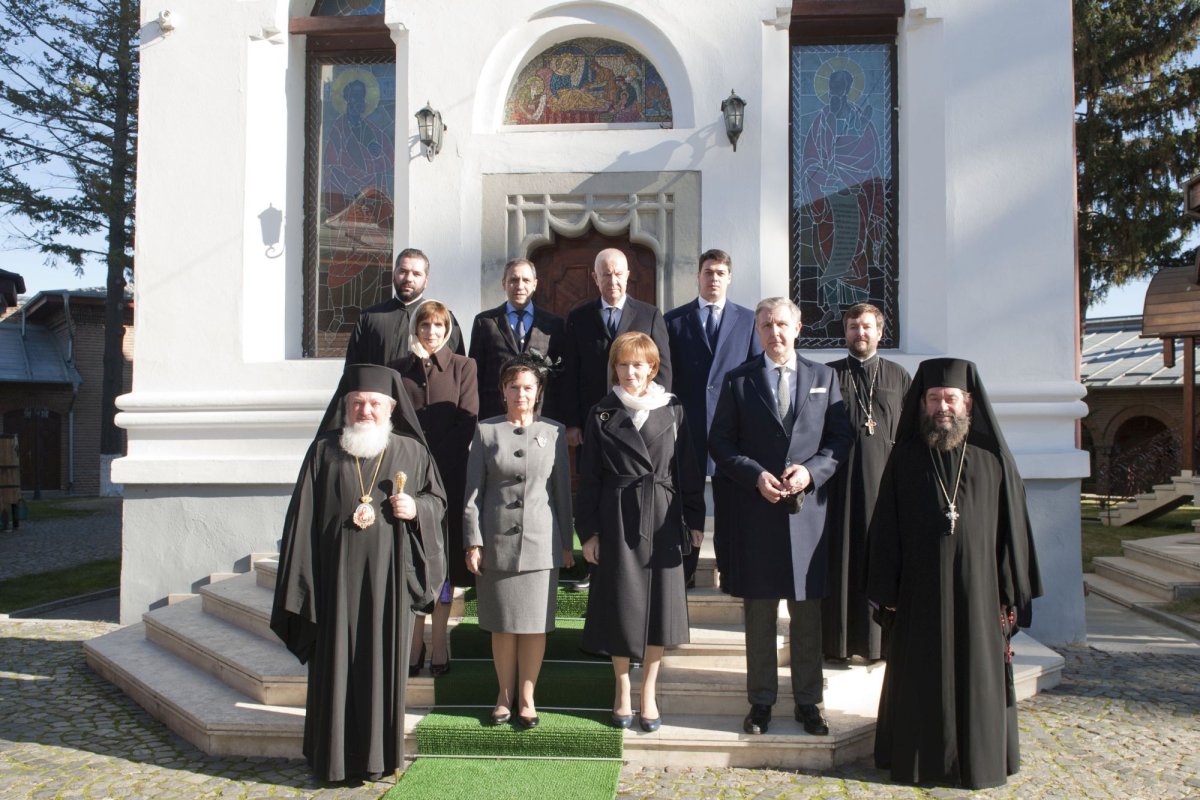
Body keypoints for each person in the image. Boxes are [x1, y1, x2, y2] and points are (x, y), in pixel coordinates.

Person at [867, 358, 1042, 790]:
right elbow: (886, 529)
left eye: (950, 398)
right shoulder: (904, 458)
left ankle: (978, 761)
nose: (942, 406)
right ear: (921, 404)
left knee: (976, 673)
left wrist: (1009, 591)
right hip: (918, 594)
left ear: (967, 402)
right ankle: (917, 762)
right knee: (917, 673)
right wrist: (887, 591)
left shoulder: (992, 460)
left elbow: (1011, 532)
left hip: (979, 596)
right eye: (933, 398)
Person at [270, 364, 446, 783]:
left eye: (374, 404)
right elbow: (302, 519)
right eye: (358, 403)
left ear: (391, 408)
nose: (366, 411)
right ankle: (330, 759)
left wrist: (416, 509)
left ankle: (377, 759)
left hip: (389, 581)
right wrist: (304, 583)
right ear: (345, 407)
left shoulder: (411, 452)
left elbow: (437, 501)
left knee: (380, 664)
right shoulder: (324, 451)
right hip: (334, 584)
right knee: (334, 666)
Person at [708, 298, 852, 737]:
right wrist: (754, 476)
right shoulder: (738, 381)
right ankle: (761, 702)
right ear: (757, 329)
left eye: (782, 323)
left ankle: (810, 702)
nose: (775, 332)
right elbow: (721, 443)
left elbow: (839, 440)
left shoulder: (825, 377)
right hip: (758, 514)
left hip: (808, 516)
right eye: (767, 324)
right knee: (760, 614)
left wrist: (811, 471)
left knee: (807, 614)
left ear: (798, 326)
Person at [576, 332, 704, 732]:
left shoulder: (674, 410)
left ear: (653, 367)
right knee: (620, 604)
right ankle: (621, 689)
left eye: (639, 364)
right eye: (623, 364)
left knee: (659, 610)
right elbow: (589, 479)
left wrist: (694, 519)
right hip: (617, 517)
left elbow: (689, 469)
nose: (631, 372)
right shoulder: (601, 413)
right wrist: (590, 533)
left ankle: (648, 691)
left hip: (662, 517)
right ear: (613, 367)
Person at [463, 351, 574, 729]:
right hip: (496, 542)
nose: (521, 394)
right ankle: (503, 695)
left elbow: (562, 492)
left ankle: (527, 696)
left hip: (541, 543)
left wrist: (564, 544)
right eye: (514, 387)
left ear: (538, 391)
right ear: (503, 391)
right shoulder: (485, 431)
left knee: (534, 624)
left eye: (528, 387)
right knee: (503, 624)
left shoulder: (554, 432)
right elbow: (472, 494)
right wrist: (472, 541)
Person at [664, 248, 762, 585]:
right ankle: (685, 571)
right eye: (708, 272)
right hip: (686, 426)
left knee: (729, 499)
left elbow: (757, 375)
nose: (714, 278)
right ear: (698, 276)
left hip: (732, 428)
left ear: (729, 278)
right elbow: (666, 374)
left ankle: (729, 567)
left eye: (720, 273)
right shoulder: (674, 320)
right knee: (687, 498)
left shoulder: (749, 320)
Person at [821, 303, 910, 662]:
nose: (860, 333)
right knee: (840, 563)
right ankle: (838, 645)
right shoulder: (826, 376)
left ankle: (881, 644)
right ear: (845, 332)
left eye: (867, 327)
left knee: (881, 561)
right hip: (837, 490)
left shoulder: (899, 376)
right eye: (854, 327)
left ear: (880, 332)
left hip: (885, 488)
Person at [396, 301, 479, 679]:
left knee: (442, 562)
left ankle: (440, 639)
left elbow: (468, 420)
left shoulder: (464, 366)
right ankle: (414, 640)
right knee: (415, 556)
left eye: (438, 325)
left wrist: (434, 460)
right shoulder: (400, 370)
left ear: (448, 330)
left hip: (449, 477)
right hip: (410, 478)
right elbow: (397, 423)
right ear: (416, 328)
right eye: (425, 325)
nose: (431, 331)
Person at [560, 248, 673, 449]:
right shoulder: (579, 318)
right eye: (606, 274)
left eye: (618, 274)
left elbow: (662, 370)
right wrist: (573, 422)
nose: (613, 281)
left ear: (627, 276)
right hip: (593, 420)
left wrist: (658, 415)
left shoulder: (650, 315)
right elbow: (570, 374)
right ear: (595, 278)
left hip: (639, 419)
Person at [468, 258, 564, 421]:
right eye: (513, 280)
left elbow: (561, 375)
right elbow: (475, 375)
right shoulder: (485, 322)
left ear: (535, 284)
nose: (520, 286)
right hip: (495, 415)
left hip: (541, 416)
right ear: (503, 283)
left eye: (526, 280)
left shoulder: (554, 324)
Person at [343, 248, 465, 369]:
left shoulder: (444, 320)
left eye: (416, 274)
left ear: (426, 281)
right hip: (379, 388)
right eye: (403, 272)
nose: (408, 279)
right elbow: (353, 368)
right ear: (394, 275)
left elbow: (456, 369)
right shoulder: (369, 316)